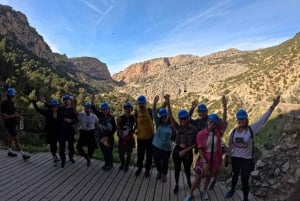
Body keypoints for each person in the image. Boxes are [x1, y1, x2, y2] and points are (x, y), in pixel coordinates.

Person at [225, 96, 280, 201]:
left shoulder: (252, 129)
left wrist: (272, 107)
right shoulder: (234, 132)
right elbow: (230, 145)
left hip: (246, 160)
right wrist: (227, 157)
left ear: (246, 119)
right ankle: (232, 190)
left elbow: (263, 120)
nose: (241, 120)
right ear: (237, 120)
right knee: (234, 176)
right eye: (239, 119)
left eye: (242, 118)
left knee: (245, 180)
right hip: (235, 158)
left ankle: (245, 198)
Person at [184, 113, 227, 201]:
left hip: (214, 158)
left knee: (208, 176)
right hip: (204, 158)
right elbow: (200, 148)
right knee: (198, 177)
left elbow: (223, 122)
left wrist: (225, 106)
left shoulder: (217, 132)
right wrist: (204, 161)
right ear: (207, 122)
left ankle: (204, 191)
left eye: (214, 123)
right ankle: (190, 193)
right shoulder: (201, 134)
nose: (212, 124)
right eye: (210, 122)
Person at [165, 94, 198, 194]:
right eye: (181, 119)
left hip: (187, 152)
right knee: (177, 169)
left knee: (187, 169)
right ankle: (176, 184)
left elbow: (196, 143)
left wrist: (185, 151)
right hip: (178, 150)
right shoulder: (178, 128)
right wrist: (168, 102)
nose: (183, 121)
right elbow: (170, 116)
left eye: (184, 119)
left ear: (188, 118)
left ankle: (188, 181)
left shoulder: (194, 129)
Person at [1, 88, 30, 160]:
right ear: (11, 96)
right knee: (16, 139)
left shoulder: (12, 103)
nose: (13, 97)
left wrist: (19, 117)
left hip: (13, 123)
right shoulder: (3, 104)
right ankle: (23, 154)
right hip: (8, 124)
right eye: (12, 96)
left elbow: (14, 113)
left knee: (11, 137)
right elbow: (3, 115)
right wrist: (13, 116)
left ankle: (10, 151)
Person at [32, 96, 60, 166]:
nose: (54, 107)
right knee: (52, 144)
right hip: (49, 131)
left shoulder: (60, 112)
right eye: (53, 106)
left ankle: (56, 155)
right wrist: (34, 102)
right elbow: (38, 110)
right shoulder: (47, 112)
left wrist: (44, 102)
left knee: (55, 144)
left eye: (56, 106)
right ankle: (54, 157)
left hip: (57, 131)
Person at [91, 97, 116, 171]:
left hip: (109, 138)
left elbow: (114, 128)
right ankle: (106, 163)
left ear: (108, 109)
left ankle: (110, 164)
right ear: (101, 110)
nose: (105, 110)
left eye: (106, 109)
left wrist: (108, 137)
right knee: (104, 151)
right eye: (103, 109)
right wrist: (92, 101)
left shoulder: (111, 118)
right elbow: (94, 109)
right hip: (101, 138)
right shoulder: (99, 115)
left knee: (109, 152)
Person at [152, 95, 173, 182]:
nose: (164, 118)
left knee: (165, 162)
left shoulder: (171, 125)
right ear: (161, 117)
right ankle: (159, 171)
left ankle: (164, 174)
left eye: (165, 117)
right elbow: (154, 113)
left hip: (166, 148)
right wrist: (154, 103)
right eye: (163, 117)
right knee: (157, 160)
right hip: (156, 145)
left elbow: (171, 114)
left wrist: (168, 103)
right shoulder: (158, 123)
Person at [134, 95, 154, 178]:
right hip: (140, 138)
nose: (141, 105)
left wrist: (165, 103)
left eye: (142, 103)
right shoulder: (136, 113)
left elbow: (157, 113)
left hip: (150, 138)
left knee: (149, 155)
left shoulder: (149, 111)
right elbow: (135, 124)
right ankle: (139, 168)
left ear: (145, 103)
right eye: (139, 104)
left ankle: (147, 170)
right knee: (140, 155)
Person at [58, 94, 78, 168]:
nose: (66, 101)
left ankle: (71, 157)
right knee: (62, 146)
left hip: (70, 130)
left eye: (68, 100)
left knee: (71, 146)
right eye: (65, 100)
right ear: (63, 101)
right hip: (61, 130)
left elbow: (76, 120)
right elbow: (57, 118)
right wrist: (63, 119)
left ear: (70, 101)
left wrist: (71, 121)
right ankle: (63, 160)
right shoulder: (60, 109)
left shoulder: (73, 110)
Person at [76, 103, 99, 167]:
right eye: (85, 108)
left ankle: (88, 158)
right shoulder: (82, 114)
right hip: (83, 132)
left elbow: (98, 123)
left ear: (90, 109)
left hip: (91, 133)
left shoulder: (93, 116)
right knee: (78, 147)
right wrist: (74, 104)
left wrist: (97, 131)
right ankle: (86, 157)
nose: (86, 110)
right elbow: (75, 112)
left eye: (88, 108)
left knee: (91, 147)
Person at [116, 102, 135, 172]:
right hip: (122, 138)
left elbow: (137, 124)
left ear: (131, 109)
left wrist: (134, 130)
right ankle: (122, 164)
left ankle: (126, 165)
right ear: (124, 109)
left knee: (129, 153)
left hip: (129, 138)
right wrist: (120, 133)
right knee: (121, 153)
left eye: (129, 109)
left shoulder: (133, 117)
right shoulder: (121, 118)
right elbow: (118, 127)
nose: (128, 110)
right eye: (126, 109)